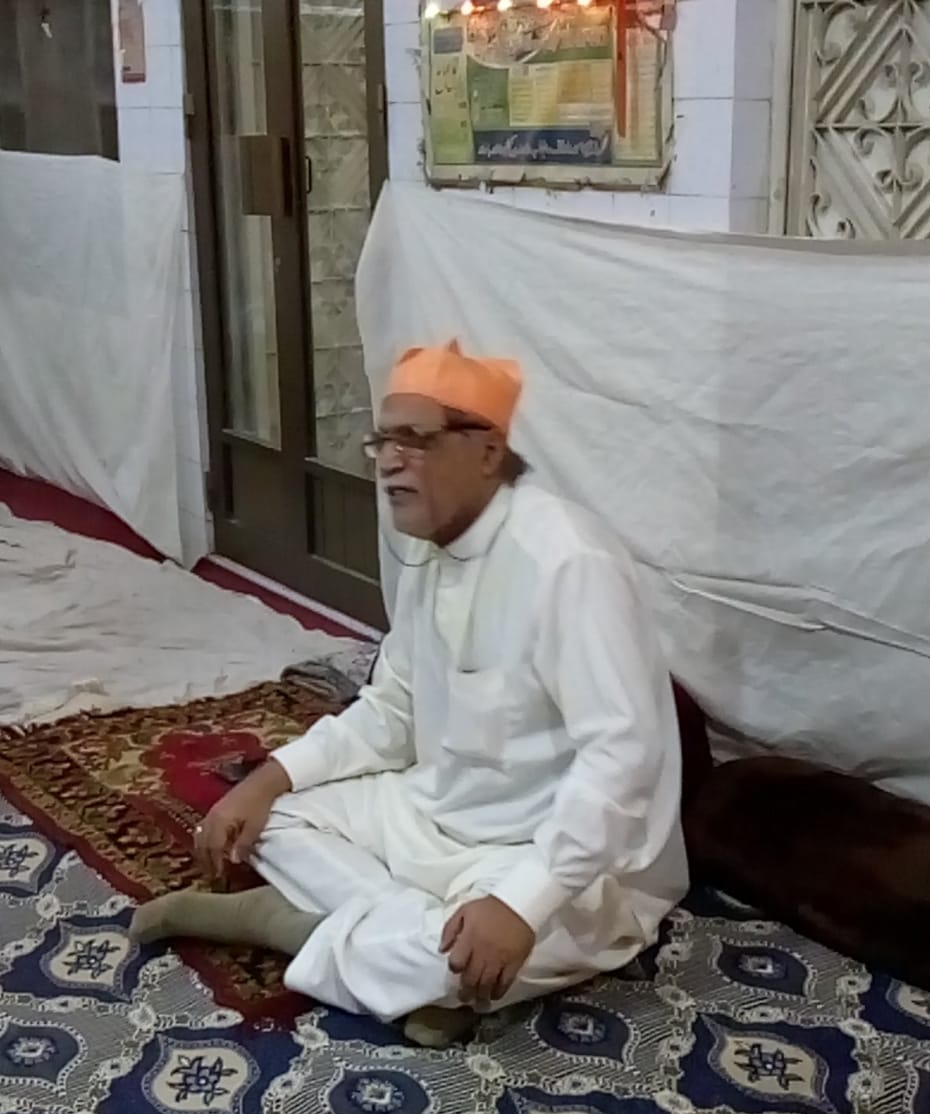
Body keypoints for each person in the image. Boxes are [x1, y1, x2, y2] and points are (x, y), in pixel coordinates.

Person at [132, 340, 689, 1046]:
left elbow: (624, 757)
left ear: (487, 450)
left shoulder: (569, 561)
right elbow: (391, 711)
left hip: (547, 848)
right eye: (381, 441)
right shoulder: (429, 546)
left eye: (414, 441)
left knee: (489, 938)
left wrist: (524, 902)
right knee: (271, 817)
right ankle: (421, 955)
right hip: (432, 816)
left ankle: (295, 925)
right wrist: (268, 779)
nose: (389, 462)